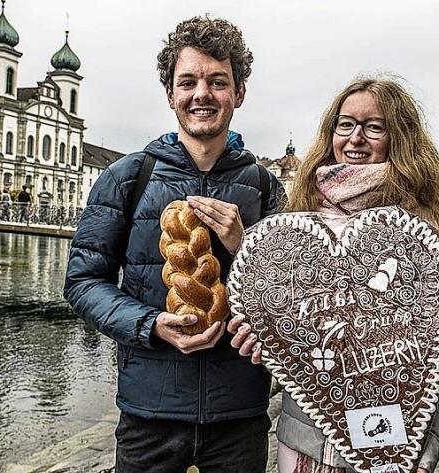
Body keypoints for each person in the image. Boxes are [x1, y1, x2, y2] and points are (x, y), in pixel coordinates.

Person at [228, 77, 439, 473]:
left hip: (392, 444)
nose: (355, 138)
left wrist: (426, 444)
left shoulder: (437, 226)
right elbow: (299, 338)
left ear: (400, 137)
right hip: (304, 447)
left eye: (374, 126)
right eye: (345, 124)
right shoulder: (300, 223)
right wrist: (272, 341)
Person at [63, 16, 284, 473]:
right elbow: (83, 282)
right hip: (150, 415)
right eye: (188, 81)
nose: (201, 93)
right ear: (170, 93)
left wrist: (245, 246)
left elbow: (293, 294)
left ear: (238, 92)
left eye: (217, 81)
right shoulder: (126, 177)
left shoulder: (266, 188)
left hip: (238, 415)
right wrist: (149, 325)